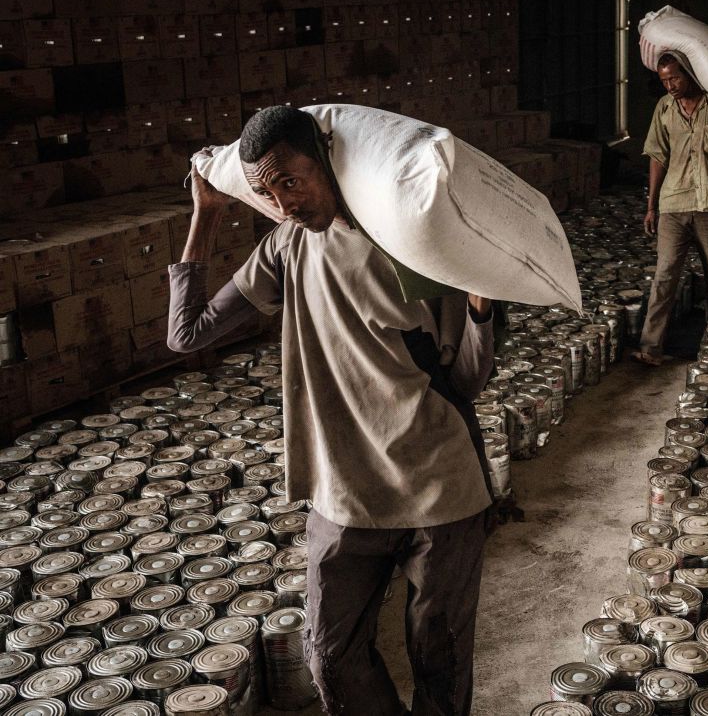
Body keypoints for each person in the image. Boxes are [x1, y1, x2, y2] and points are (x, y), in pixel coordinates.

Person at [167, 105, 496, 716]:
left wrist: (480, 307)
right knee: (330, 657)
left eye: (292, 180)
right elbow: (187, 334)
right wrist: (206, 216)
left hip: (440, 488)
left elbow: (467, 382)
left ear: (327, 161)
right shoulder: (285, 249)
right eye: (267, 191)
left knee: (439, 661)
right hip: (345, 493)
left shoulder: (404, 246)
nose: (285, 202)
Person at [631, 54, 708, 366]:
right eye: (664, 81)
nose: (670, 86)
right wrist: (651, 206)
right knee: (664, 275)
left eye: (674, 78)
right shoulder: (664, 108)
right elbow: (657, 156)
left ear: (688, 73)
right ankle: (650, 347)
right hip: (674, 204)